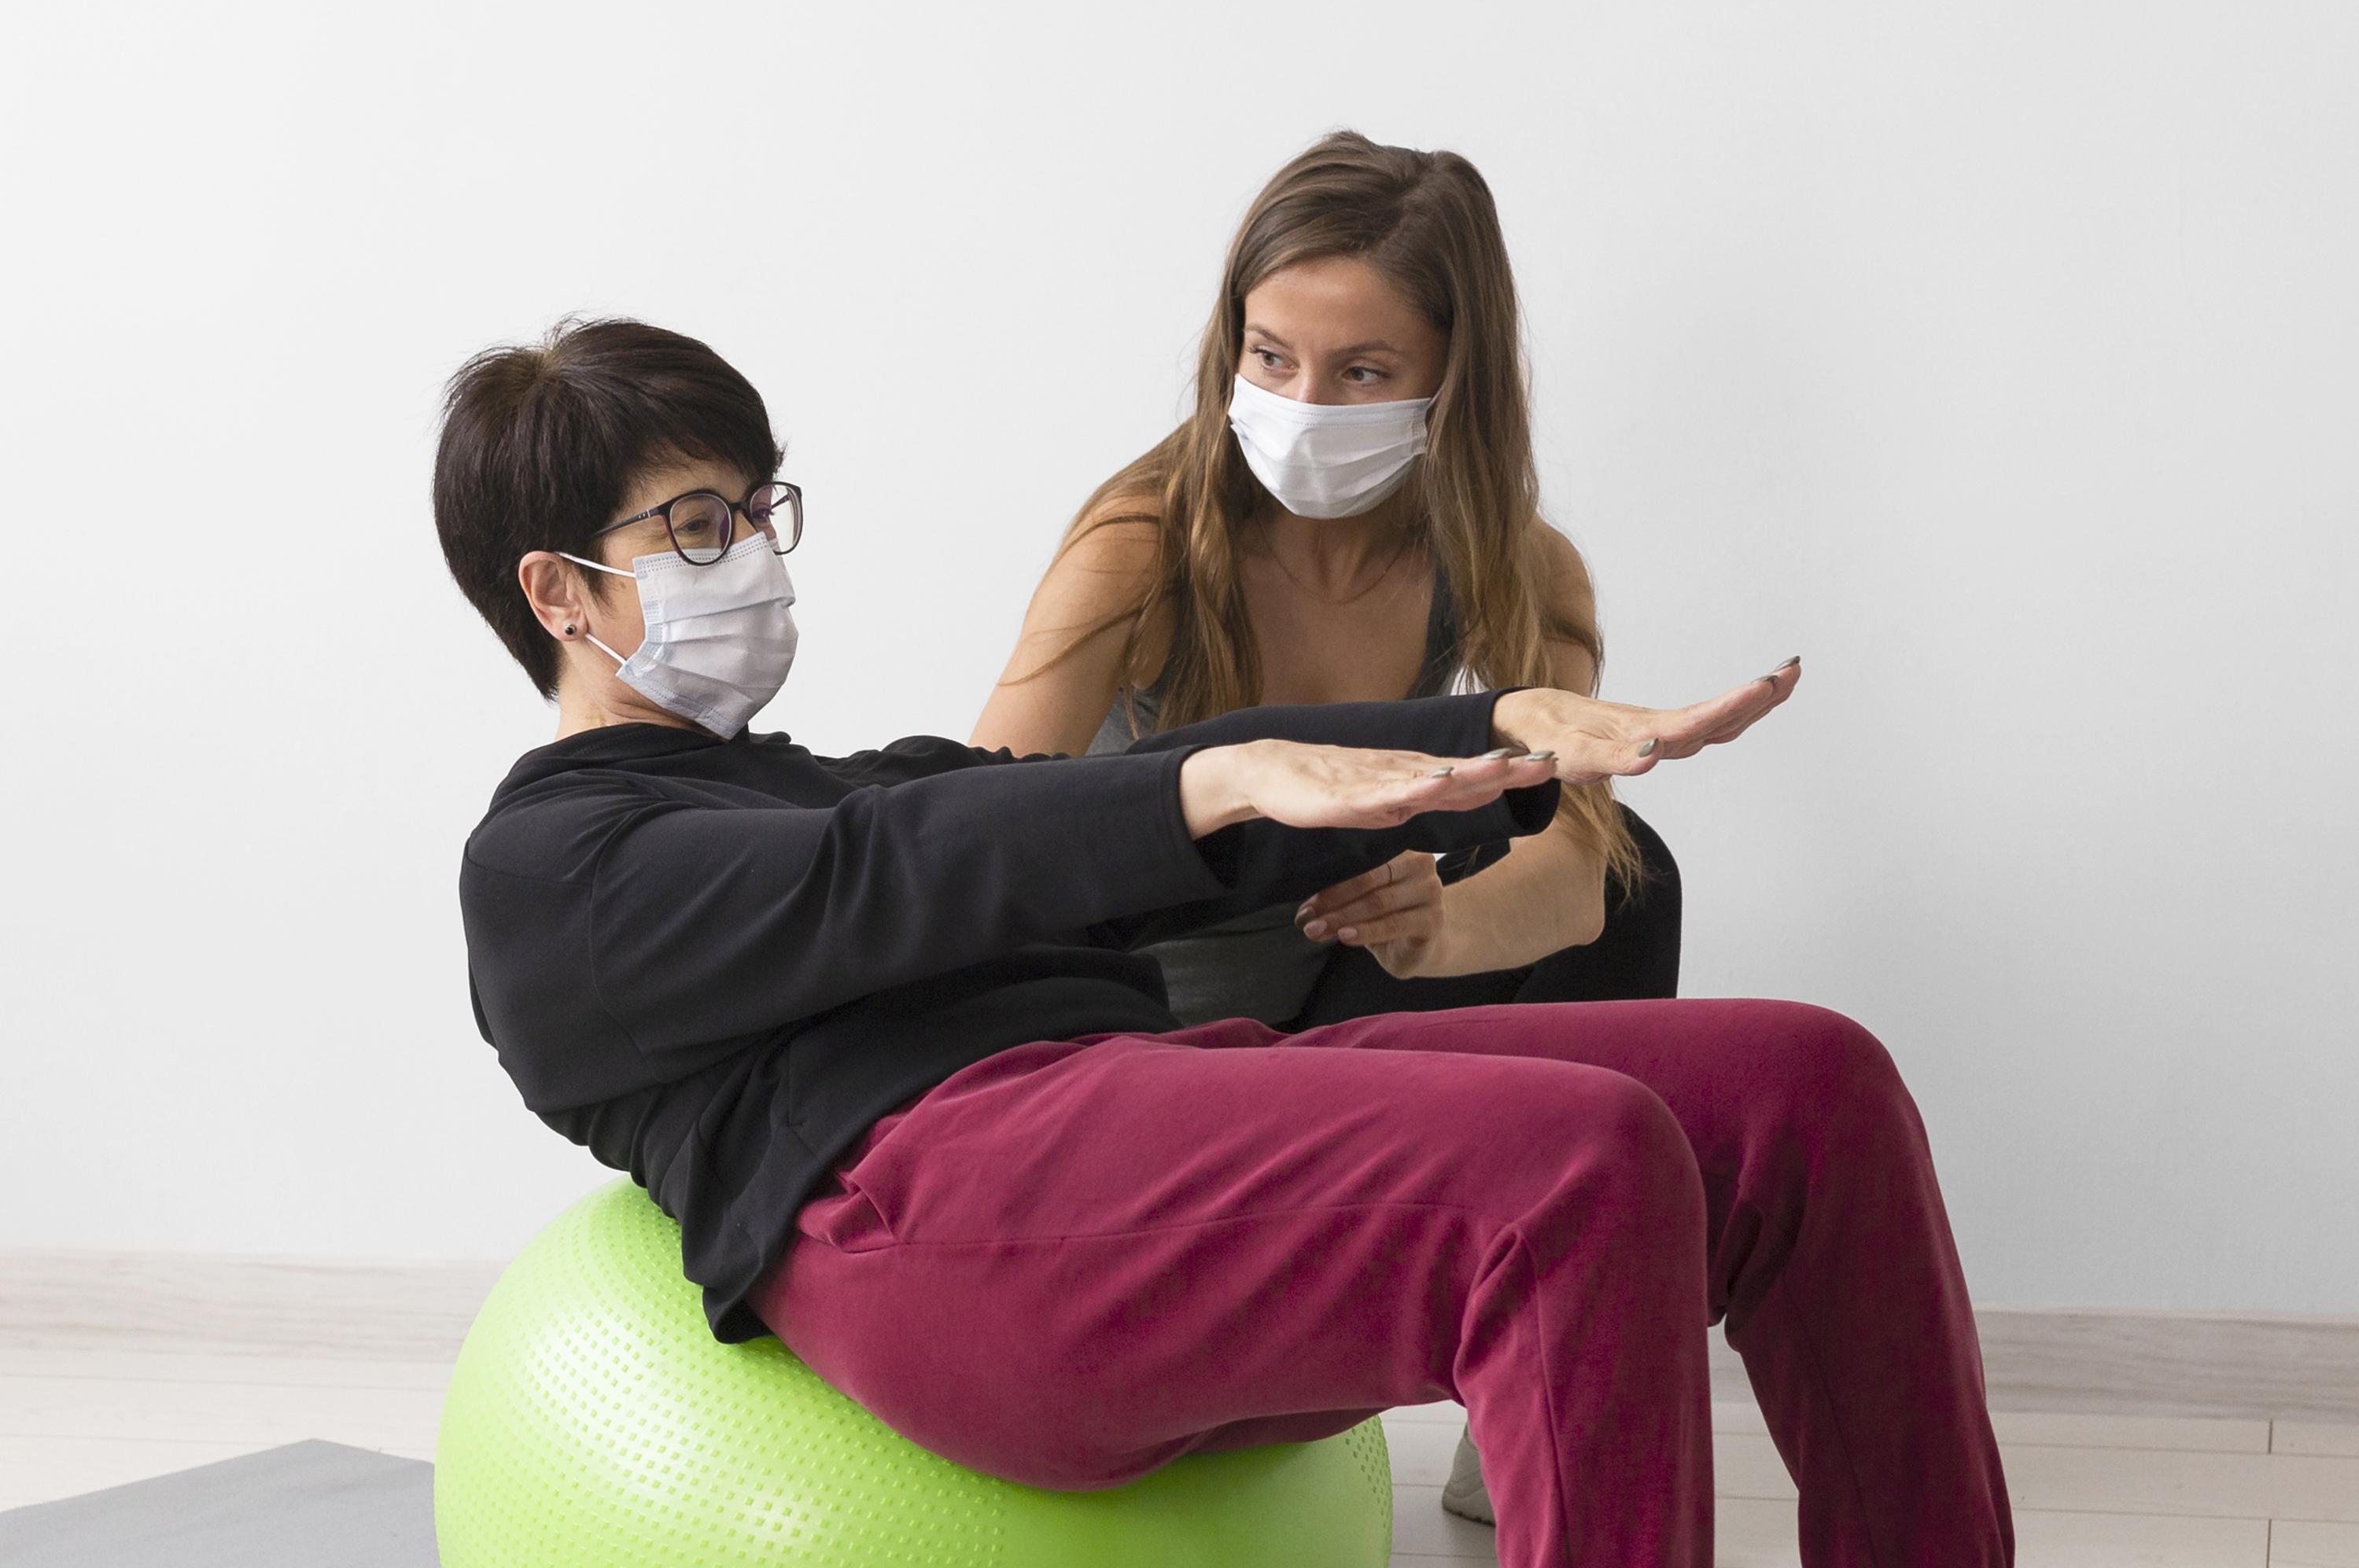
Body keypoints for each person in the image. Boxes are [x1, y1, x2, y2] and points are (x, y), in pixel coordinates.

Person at [440, 317, 2014, 1567]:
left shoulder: (827, 783)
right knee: (1574, 1161)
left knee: (1813, 1083)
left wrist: (1500, 724)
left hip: (1134, 1111)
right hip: (939, 1222)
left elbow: (1050, 810)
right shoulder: (546, 864)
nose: (757, 557)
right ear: (560, 594)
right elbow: (879, 875)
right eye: (700, 524)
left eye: (759, 511)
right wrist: (1205, 781)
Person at [972, 128, 1694, 1522]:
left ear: (1448, 381)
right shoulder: (1142, 538)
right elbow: (980, 813)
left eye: (1363, 372)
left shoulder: (1514, 569)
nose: (1305, 402)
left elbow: (1583, 867)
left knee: (1635, 866)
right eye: (1269, 357)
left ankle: (1538, 1384)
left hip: (1338, 977)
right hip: (1143, 1022)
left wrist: (1449, 923)